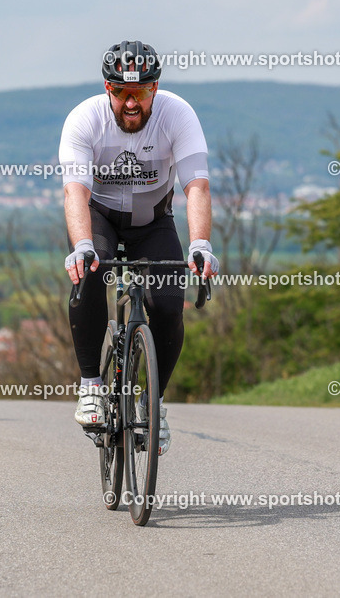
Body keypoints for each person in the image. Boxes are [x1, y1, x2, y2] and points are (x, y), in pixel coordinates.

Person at [60, 40, 220, 455]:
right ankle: (92, 384)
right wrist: (81, 245)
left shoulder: (177, 114)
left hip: (153, 223)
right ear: (107, 90)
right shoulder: (85, 119)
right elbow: (75, 193)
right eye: (121, 93)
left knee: (168, 304)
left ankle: (154, 402)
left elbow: (196, 185)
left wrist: (200, 242)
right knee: (89, 272)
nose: (132, 103)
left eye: (142, 92)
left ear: (156, 88)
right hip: (100, 218)